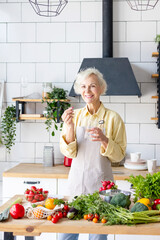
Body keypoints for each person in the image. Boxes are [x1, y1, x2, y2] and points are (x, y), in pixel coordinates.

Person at [59, 68, 127, 240]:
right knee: (65, 236)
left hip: (101, 190)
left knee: (97, 237)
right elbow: (68, 152)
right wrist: (69, 128)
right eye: (83, 86)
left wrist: (104, 139)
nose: (87, 91)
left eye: (92, 86)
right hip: (76, 186)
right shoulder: (74, 117)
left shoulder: (113, 118)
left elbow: (119, 156)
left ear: (101, 89)